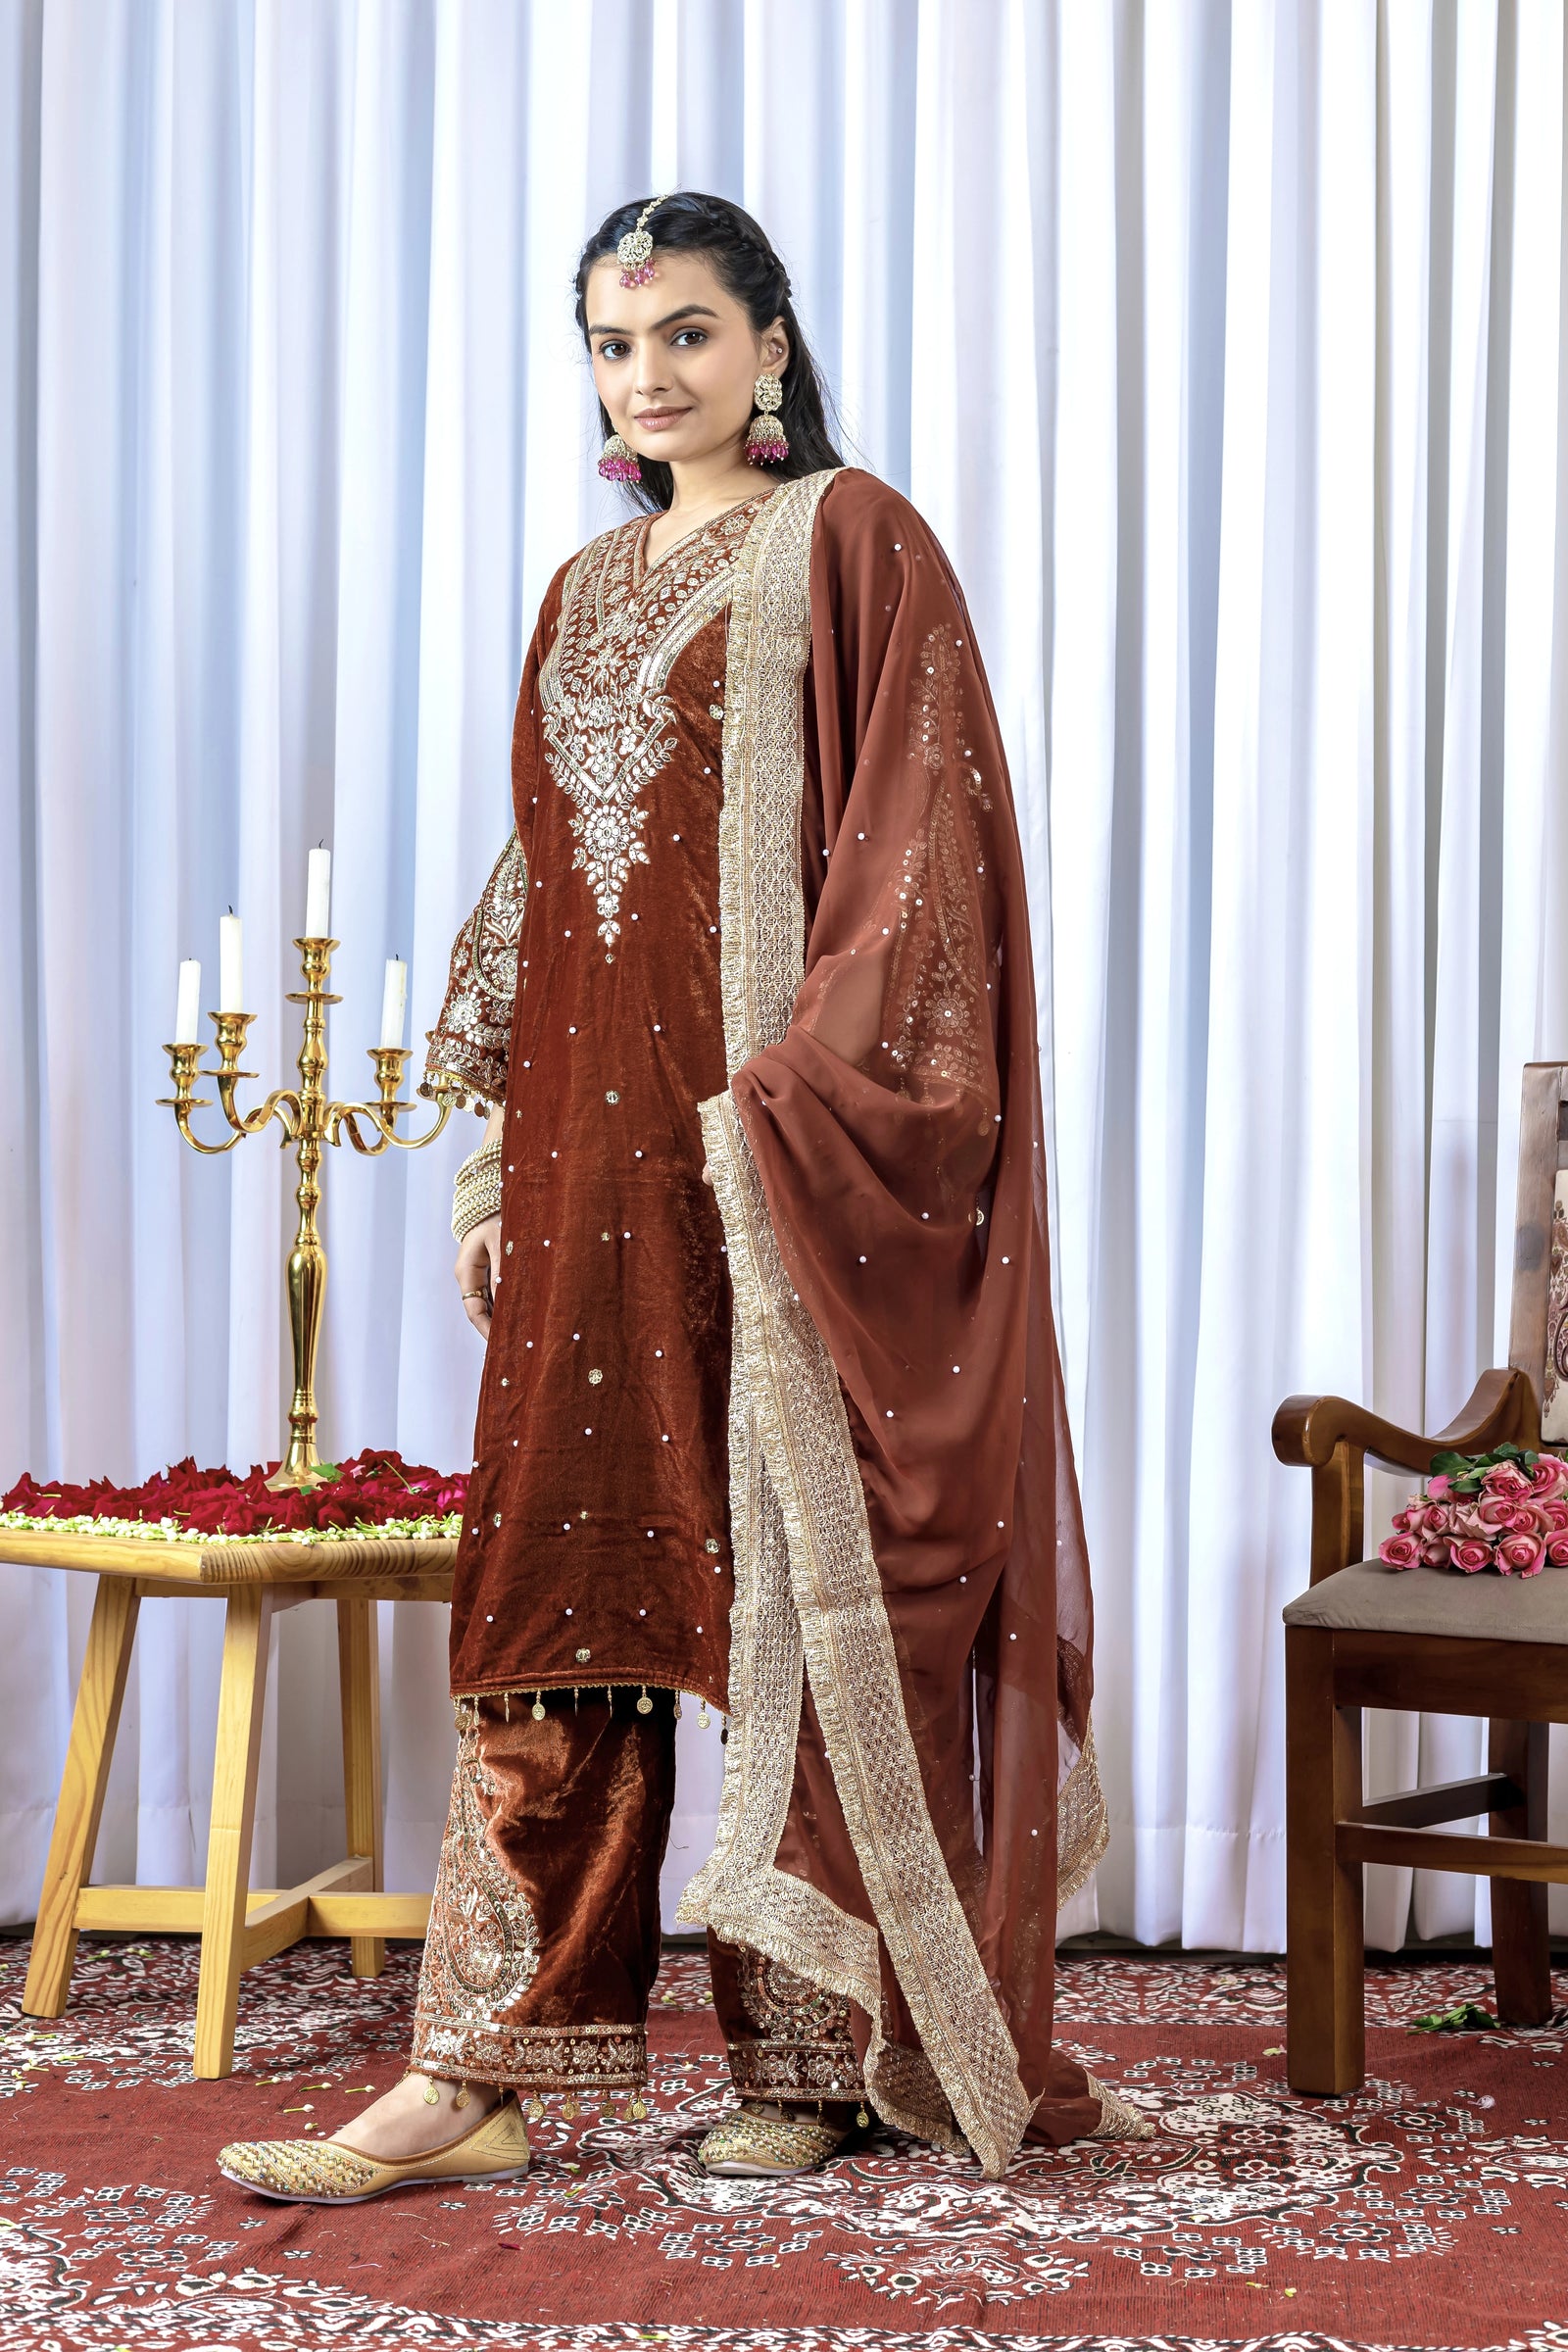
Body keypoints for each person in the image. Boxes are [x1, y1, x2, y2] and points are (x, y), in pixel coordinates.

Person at [217, 190, 1140, 2207]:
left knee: (796, 1587)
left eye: (690, 334)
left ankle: (816, 2055)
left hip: (771, 1167)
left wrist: (794, 1112)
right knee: (556, 1588)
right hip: (589, 1166)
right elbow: (542, 877)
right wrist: (492, 1156)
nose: (650, 376)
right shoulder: (580, 588)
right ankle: (478, 2069)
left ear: (771, 347)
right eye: (615, 346)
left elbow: (923, 863)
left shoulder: (853, 540)